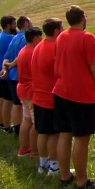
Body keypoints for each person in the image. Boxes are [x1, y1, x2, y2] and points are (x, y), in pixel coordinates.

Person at [53, 5, 95, 189]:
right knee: (81, 139)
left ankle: (65, 175)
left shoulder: (61, 37)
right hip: (81, 95)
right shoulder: (87, 38)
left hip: (60, 91)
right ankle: (82, 181)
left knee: (64, 134)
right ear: (83, 18)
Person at [31, 18, 64, 175]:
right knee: (54, 134)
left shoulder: (38, 47)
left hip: (37, 97)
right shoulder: (54, 48)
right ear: (57, 31)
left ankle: (42, 164)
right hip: (50, 97)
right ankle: (55, 167)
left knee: (42, 132)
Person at [1, 16, 33, 137]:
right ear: (26, 23)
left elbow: (6, 56)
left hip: (11, 77)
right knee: (24, 105)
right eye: (30, 22)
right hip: (21, 76)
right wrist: (9, 66)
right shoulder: (25, 38)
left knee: (16, 103)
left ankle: (17, 129)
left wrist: (5, 68)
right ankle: (25, 130)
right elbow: (22, 56)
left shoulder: (14, 38)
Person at [16, 26, 42, 158]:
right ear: (36, 38)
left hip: (22, 89)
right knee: (37, 123)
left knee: (26, 120)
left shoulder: (23, 50)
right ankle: (35, 152)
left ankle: (24, 148)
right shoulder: (33, 52)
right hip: (31, 91)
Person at [0, 16, 16, 131]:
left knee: (1, 99)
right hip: (4, 73)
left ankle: (1, 123)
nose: (15, 26)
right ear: (8, 25)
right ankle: (7, 126)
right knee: (8, 100)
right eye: (14, 24)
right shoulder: (8, 38)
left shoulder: (0, 36)